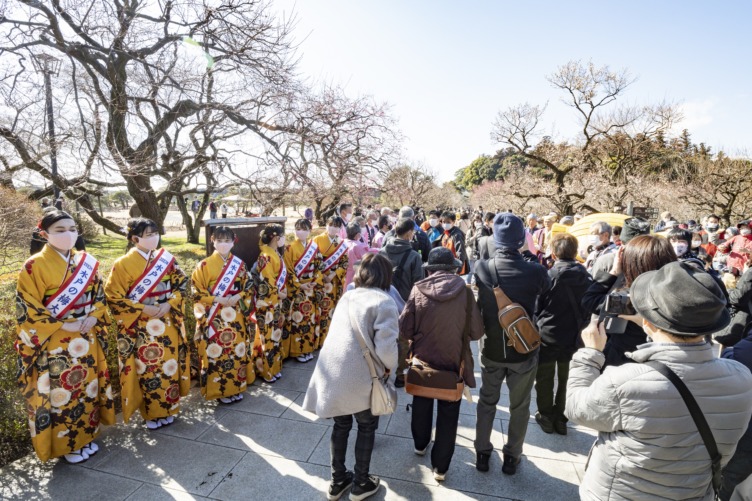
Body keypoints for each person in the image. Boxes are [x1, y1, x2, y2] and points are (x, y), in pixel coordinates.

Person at [566, 261, 752, 501]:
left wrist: (589, 354)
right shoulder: (741, 378)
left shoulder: (626, 381)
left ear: (648, 322)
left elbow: (576, 408)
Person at [16, 210, 116, 463]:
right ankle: (67, 445)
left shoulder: (86, 261)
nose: (68, 234)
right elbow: (28, 308)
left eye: (72, 229)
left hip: (86, 335)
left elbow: (99, 295)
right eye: (60, 230)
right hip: (57, 343)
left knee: (87, 387)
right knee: (64, 392)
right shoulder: (33, 266)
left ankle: (87, 436)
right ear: (44, 234)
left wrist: (94, 315)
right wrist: (63, 324)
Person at [303, 253, 399, 501]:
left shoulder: (348, 295)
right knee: (366, 426)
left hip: (333, 372)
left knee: (341, 425)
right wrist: (392, 369)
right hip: (362, 377)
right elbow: (387, 349)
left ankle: (337, 481)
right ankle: (361, 482)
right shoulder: (385, 301)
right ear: (386, 275)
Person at [473, 213, 550, 475]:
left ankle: (482, 453)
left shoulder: (482, 268)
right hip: (524, 351)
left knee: (487, 402)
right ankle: (512, 457)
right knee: (520, 406)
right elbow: (545, 299)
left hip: (492, 348)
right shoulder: (537, 271)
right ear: (521, 240)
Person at [399, 247, 484, 481]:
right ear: (453, 269)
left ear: (430, 269)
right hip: (454, 362)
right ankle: (441, 468)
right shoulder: (466, 293)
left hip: (423, 360)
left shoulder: (418, 289)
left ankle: (420, 444)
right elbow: (476, 332)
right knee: (449, 413)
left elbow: (404, 327)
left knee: (422, 400)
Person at [105, 218, 190, 430]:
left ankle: (169, 407)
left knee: (168, 366)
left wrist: (170, 303)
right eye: (148, 235)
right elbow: (113, 297)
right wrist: (143, 308)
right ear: (135, 238)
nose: (154, 238)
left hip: (166, 321)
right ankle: (151, 413)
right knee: (148, 367)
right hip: (141, 326)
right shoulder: (122, 264)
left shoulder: (167, 259)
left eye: (155, 233)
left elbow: (182, 284)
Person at [582, 235, 677, 367]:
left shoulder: (630, 299)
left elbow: (590, 300)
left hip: (624, 360)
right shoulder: (677, 294)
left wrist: (614, 271)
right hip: (667, 360)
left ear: (632, 264)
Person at [533, 233, 592, 435]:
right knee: (568, 379)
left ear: (555, 252)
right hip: (575, 337)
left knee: (545, 377)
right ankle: (562, 418)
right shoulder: (586, 276)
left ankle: (546, 415)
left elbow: (536, 307)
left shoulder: (548, 275)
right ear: (575, 252)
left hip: (548, 334)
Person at [191, 226, 255, 403]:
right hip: (214, 316)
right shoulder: (203, 265)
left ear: (233, 242)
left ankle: (236, 387)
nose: (223, 244)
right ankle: (220, 391)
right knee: (217, 352)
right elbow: (196, 292)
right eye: (219, 240)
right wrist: (216, 298)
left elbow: (248, 286)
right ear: (212, 241)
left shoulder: (239, 264)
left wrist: (239, 296)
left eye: (227, 240)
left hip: (235, 315)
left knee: (236, 350)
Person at [380, 218, 424, 388]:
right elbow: (418, 284)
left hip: (382, 301)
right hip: (404, 304)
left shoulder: (382, 251)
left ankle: (383, 370)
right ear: (408, 233)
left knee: (382, 335)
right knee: (403, 339)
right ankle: (399, 374)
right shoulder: (414, 256)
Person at [252, 224, 288, 383]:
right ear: (275, 237)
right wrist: (279, 293)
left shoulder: (274, 253)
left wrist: (282, 292)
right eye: (283, 235)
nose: (284, 238)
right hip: (267, 303)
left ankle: (274, 367)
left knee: (275, 334)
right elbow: (266, 282)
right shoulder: (265, 256)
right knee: (267, 336)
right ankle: (266, 370)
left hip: (276, 301)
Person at [283, 219, 323, 363]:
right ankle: (297, 350)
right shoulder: (290, 248)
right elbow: (288, 270)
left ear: (309, 230)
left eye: (304, 228)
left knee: (310, 319)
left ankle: (308, 348)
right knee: (298, 319)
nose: (300, 231)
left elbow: (319, 266)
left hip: (311, 288)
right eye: (298, 228)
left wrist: (315, 281)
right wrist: (299, 285)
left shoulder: (314, 246)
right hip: (298, 290)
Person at [720, 329, 752, 500]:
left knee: (727, 482)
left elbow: (738, 360)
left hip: (745, 436)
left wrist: (727, 352)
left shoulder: (744, 350)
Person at [313, 216, 349, 347]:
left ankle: (331, 339)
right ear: (327, 225)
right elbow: (314, 261)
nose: (333, 228)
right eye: (331, 225)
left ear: (340, 228)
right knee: (321, 310)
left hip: (334, 281)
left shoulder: (341, 242)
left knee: (333, 310)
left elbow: (344, 262)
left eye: (337, 226)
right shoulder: (317, 240)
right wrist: (323, 275)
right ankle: (319, 341)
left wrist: (334, 273)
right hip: (321, 281)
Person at [343, 222, 377, 289]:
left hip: (342, 273)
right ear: (358, 234)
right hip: (354, 274)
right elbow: (368, 255)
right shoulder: (358, 246)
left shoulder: (343, 242)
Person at [440, 211, 468, 276]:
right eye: (444, 222)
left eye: (448, 222)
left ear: (454, 222)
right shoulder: (445, 234)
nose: (445, 224)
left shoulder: (457, 235)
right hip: (447, 267)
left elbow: (460, 252)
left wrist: (458, 269)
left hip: (455, 269)